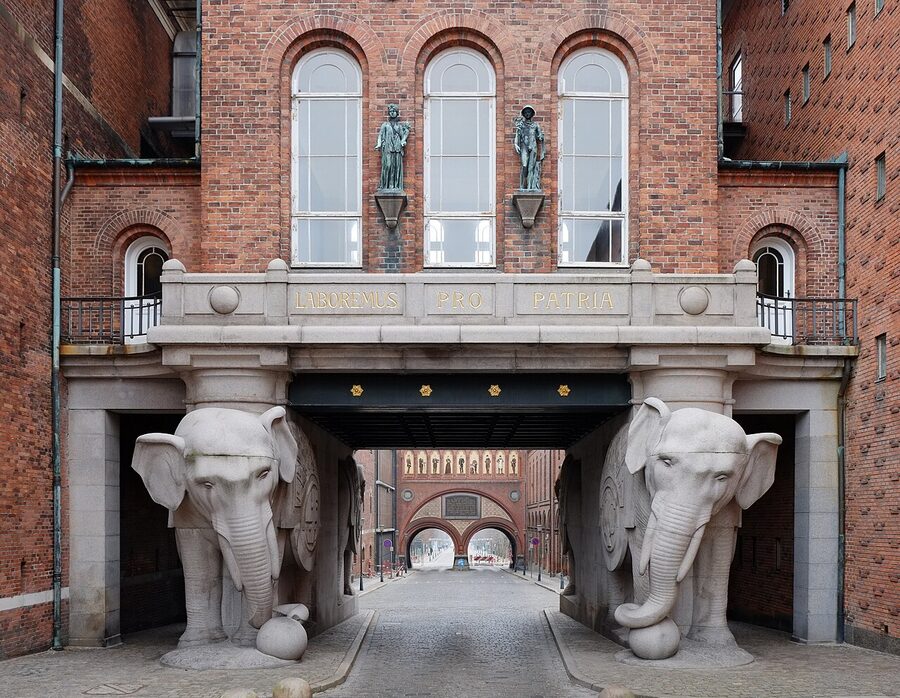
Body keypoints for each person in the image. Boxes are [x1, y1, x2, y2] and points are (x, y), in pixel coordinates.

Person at [375, 103, 411, 191]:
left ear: (397, 112)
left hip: (397, 149)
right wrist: (379, 144)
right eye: (390, 111)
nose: (392, 113)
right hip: (387, 148)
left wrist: (403, 141)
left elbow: (403, 137)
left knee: (396, 167)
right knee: (388, 165)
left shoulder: (399, 126)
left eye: (394, 111)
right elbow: (380, 135)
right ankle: (386, 186)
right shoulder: (385, 125)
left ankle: (395, 186)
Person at [514, 105, 545, 190]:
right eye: (526, 112)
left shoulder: (535, 125)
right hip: (524, 146)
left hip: (533, 147)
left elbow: (539, 136)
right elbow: (518, 135)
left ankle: (529, 187)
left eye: (529, 112)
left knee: (531, 167)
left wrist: (541, 136)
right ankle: (522, 185)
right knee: (524, 165)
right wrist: (516, 144)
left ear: (532, 114)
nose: (528, 114)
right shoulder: (521, 125)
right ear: (524, 114)